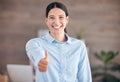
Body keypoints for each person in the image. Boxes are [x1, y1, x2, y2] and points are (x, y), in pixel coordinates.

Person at [26, 1, 92, 82]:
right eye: (52, 17)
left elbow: (85, 79)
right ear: (46, 20)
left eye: (61, 17)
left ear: (67, 20)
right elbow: (37, 54)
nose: (56, 22)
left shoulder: (79, 46)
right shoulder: (35, 43)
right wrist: (41, 61)